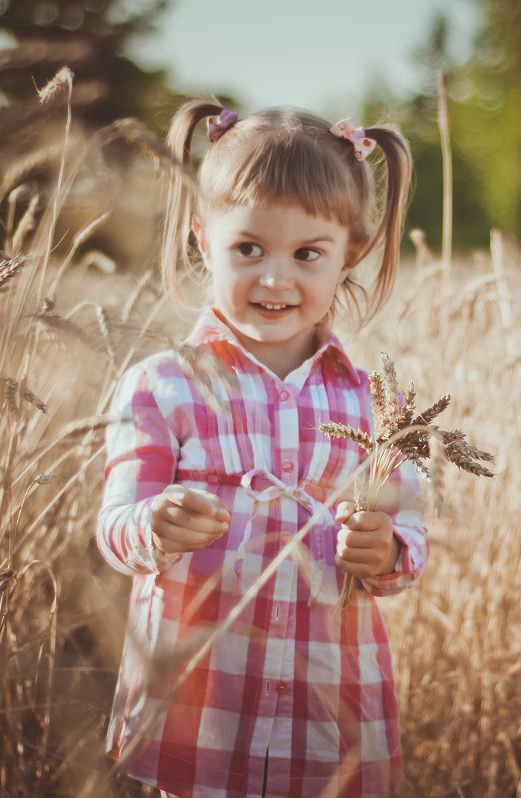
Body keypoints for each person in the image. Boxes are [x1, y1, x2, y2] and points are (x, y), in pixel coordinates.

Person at [96, 101, 426, 798]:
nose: (276, 279)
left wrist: (388, 551)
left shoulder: (375, 405)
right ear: (202, 240)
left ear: (350, 256)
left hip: (329, 716)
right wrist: (154, 525)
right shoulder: (164, 386)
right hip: (199, 713)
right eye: (249, 249)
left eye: (308, 254)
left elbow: (408, 531)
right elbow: (117, 524)